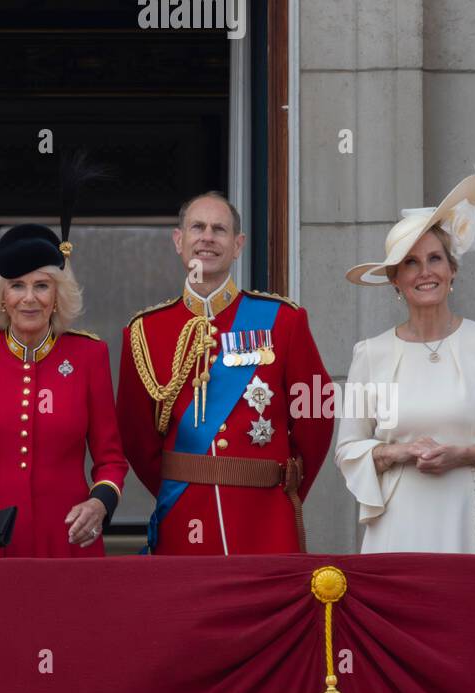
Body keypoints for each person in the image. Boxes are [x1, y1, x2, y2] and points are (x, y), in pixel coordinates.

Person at [115, 191, 334, 554]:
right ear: (178, 240)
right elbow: (136, 435)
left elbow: (316, 412)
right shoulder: (144, 331)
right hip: (185, 513)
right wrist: (182, 484)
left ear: (237, 245)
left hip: (265, 516)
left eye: (219, 229)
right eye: (197, 227)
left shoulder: (283, 320)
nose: (207, 237)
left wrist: (284, 484)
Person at [338, 173, 475, 553]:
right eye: (411, 263)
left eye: (435, 259)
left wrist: (464, 454)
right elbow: (347, 449)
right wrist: (401, 452)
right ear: (395, 280)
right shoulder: (369, 353)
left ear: (452, 271)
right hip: (397, 529)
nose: (425, 272)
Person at [0, 224, 128, 557]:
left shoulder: (89, 356)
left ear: (57, 296)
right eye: (17, 286)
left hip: (65, 542)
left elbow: (111, 459)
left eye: (42, 286)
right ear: (2, 298)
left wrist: (100, 503)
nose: (29, 297)